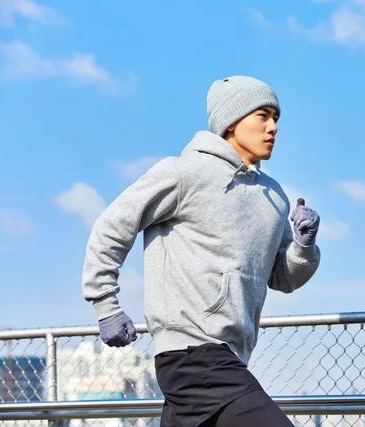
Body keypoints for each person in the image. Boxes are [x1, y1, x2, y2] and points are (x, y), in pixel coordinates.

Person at [82, 75, 321, 426]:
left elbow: (283, 278)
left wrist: (304, 245)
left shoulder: (273, 196)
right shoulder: (184, 173)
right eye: (263, 116)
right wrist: (106, 304)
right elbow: (112, 227)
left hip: (234, 355)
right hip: (191, 352)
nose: (273, 127)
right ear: (232, 121)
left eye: (276, 118)